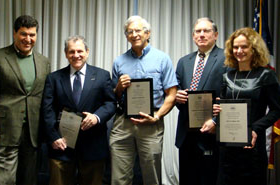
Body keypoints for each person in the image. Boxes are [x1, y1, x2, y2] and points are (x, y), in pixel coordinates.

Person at [0, 15, 50, 185]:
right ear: (14, 33)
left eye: (32, 35)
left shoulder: (44, 61)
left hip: (33, 132)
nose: (28, 39)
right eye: (23, 34)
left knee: (29, 179)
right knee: (6, 181)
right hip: (5, 131)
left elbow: (44, 96)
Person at [110, 15, 177, 185]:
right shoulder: (119, 61)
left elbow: (172, 94)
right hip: (123, 124)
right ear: (126, 36)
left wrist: (157, 116)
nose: (134, 34)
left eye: (138, 30)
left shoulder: (162, 59)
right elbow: (113, 97)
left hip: (151, 124)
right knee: (119, 178)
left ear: (148, 33)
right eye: (130, 32)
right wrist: (119, 87)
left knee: (151, 177)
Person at [42, 35, 116, 185]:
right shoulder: (54, 78)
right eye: (71, 52)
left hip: (93, 144)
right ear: (66, 54)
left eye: (80, 51)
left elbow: (111, 103)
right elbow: (47, 110)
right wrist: (53, 137)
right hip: (61, 144)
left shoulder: (102, 76)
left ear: (87, 52)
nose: (76, 55)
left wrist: (97, 117)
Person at [215, 27, 280, 185]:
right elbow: (222, 103)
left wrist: (256, 128)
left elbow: (277, 109)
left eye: (244, 47)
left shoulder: (266, 75)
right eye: (235, 47)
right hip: (227, 146)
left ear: (254, 49)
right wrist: (217, 110)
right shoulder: (227, 76)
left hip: (252, 145)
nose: (239, 51)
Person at [175, 17, 227, 185]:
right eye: (198, 31)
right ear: (193, 36)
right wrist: (177, 96)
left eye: (206, 31)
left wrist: (216, 121)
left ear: (216, 35)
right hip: (186, 131)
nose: (202, 35)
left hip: (212, 130)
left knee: (209, 179)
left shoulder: (227, 59)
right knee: (188, 179)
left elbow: (231, 95)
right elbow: (174, 91)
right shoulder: (184, 62)